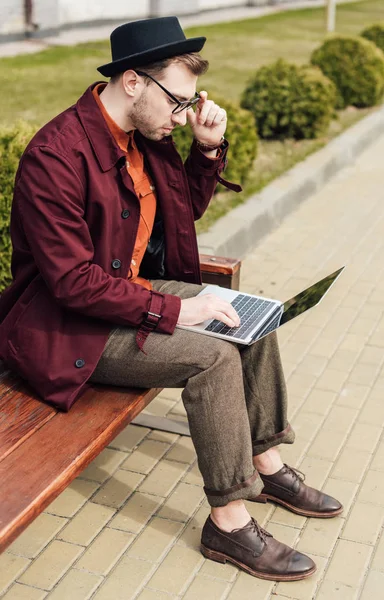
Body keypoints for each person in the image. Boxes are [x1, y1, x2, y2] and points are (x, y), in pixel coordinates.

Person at [0, 16, 343, 581]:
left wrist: (207, 152)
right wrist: (181, 311)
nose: (185, 115)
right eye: (179, 102)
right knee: (212, 356)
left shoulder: (146, 137)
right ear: (133, 82)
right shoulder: (56, 156)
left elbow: (182, 215)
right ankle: (229, 524)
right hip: (67, 327)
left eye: (191, 103)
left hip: (129, 294)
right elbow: (71, 283)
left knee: (249, 316)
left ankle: (266, 463)